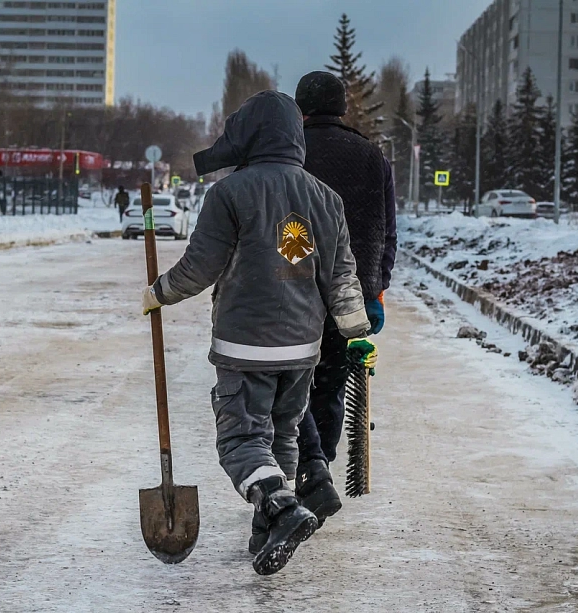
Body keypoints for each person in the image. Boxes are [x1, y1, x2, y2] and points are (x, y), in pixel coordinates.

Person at [141, 91, 375, 575]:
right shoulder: (323, 196)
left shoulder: (230, 193)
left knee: (241, 439)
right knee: (283, 432)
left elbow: (200, 266)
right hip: (303, 348)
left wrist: (159, 293)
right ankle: (266, 527)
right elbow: (341, 275)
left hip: (244, 344)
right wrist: (356, 332)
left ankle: (279, 505)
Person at [245, 71, 394, 550]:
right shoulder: (374, 156)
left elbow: (283, 224)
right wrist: (376, 289)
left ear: (298, 109)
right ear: (343, 107)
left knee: (289, 388)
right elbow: (388, 230)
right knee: (328, 386)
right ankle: (319, 472)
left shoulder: (290, 154)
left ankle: (305, 477)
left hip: (297, 288)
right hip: (354, 291)